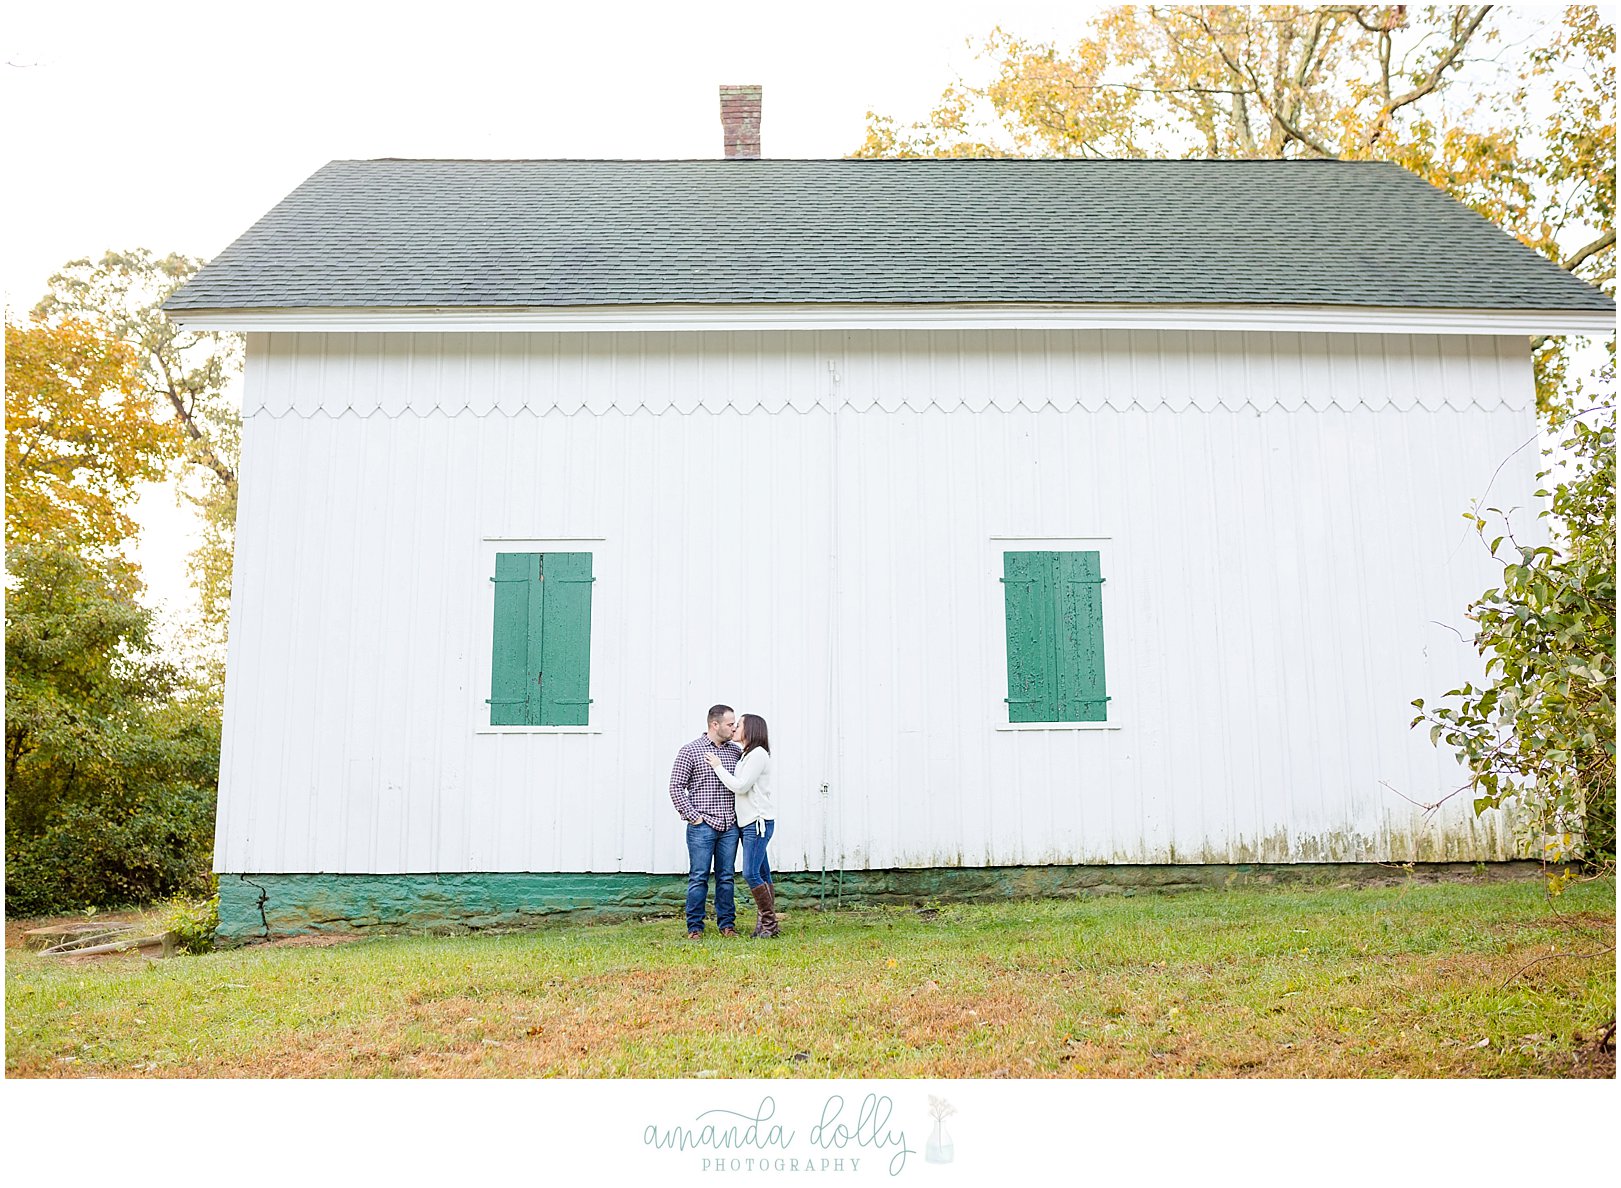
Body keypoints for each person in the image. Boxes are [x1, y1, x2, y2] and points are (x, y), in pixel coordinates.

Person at [668, 705, 743, 939]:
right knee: (699, 877)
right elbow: (676, 787)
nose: (734, 728)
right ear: (715, 725)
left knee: (726, 877)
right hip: (702, 826)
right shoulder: (690, 751)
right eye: (730, 724)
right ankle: (695, 928)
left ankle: (727, 925)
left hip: (729, 826)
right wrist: (694, 817)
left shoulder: (735, 752)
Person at [705, 712, 778, 938]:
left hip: (757, 823)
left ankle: (769, 924)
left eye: (739, 725)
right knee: (763, 873)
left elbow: (742, 786)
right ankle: (766, 925)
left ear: (751, 729)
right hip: (749, 823)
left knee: (750, 873)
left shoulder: (757, 754)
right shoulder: (747, 754)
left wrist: (718, 766)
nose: (735, 728)